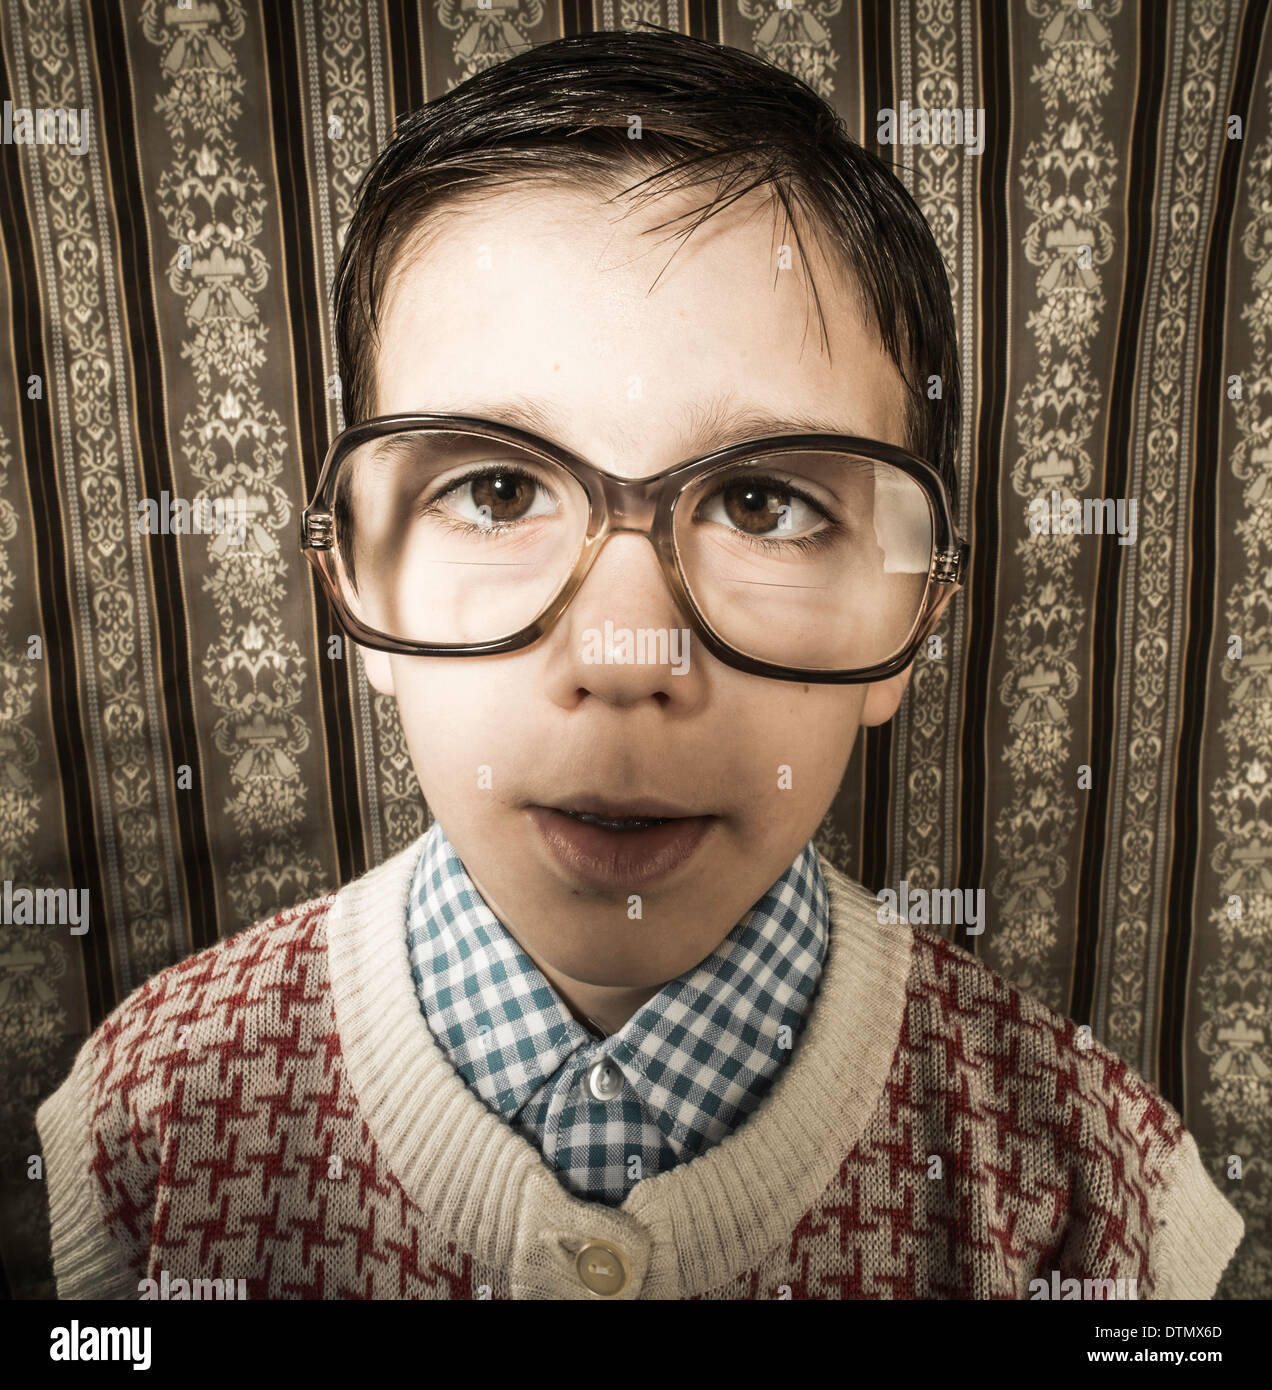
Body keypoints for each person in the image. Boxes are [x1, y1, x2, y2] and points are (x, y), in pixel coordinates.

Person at [36, 26, 1241, 1300]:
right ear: (355, 576)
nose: (625, 655)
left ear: (917, 610)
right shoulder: (146, 1116)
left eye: (767, 503)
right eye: (495, 490)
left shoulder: (1102, 1207)